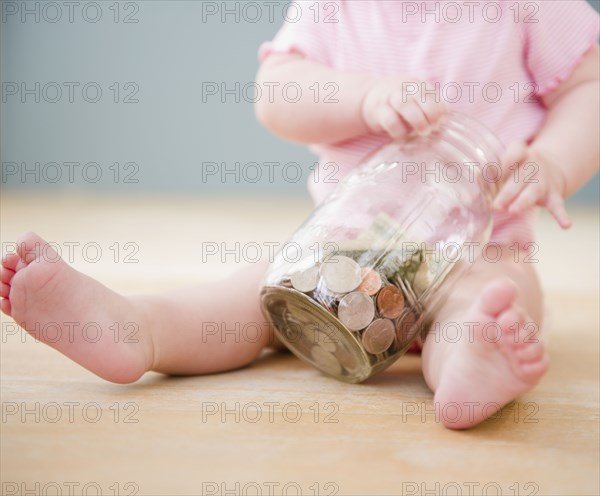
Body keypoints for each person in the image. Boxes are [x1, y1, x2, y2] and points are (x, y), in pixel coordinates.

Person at [1, 0, 598, 429]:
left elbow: (588, 87)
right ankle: (141, 329)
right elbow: (278, 91)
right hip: (336, 256)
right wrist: (362, 97)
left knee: (494, 299)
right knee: (248, 297)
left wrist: (552, 161)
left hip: (480, 251)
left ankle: (469, 366)